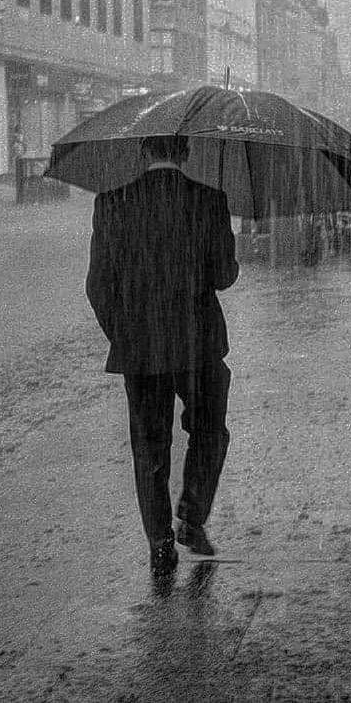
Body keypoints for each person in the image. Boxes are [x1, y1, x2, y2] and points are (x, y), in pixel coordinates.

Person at [86, 135, 239, 577]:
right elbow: (225, 276)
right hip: (198, 344)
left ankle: (158, 542)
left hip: (141, 349)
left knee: (149, 445)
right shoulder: (210, 201)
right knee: (209, 431)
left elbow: (98, 285)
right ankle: (191, 515)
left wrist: (127, 333)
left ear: (143, 152)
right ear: (186, 152)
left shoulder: (112, 203)